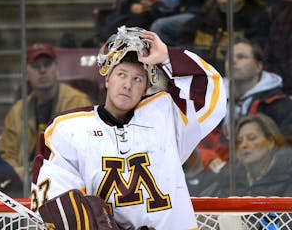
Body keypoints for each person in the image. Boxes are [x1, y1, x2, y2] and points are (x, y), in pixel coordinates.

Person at [30, 26, 226, 229]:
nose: (128, 85)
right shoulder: (68, 128)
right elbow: (54, 196)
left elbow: (212, 93)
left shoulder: (167, 114)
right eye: (121, 75)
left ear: (145, 89)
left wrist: (168, 57)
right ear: (107, 79)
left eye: (138, 79)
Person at [0, 43, 93, 182]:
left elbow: (88, 149)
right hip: (27, 183)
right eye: (36, 66)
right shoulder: (17, 111)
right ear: (26, 73)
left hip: (67, 180)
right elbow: (6, 153)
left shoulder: (78, 102)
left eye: (47, 64)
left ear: (57, 69)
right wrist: (16, 171)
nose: (42, 70)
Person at [198, 38, 292, 171]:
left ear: (259, 66)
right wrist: (209, 159)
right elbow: (195, 141)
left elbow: (285, 150)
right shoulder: (211, 100)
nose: (233, 61)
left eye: (241, 57)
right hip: (214, 176)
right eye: (229, 57)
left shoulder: (279, 105)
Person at [176, 0, 271, 75]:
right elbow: (182, 52)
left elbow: (249, 62)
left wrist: (202, 59)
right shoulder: (203, 17)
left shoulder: (258, 21)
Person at [219, 113, 292, 197]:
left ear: (271, 142)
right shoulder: (229, 177)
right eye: (239, 141)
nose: (244, 145)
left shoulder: (288, 175)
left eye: (251, 138)